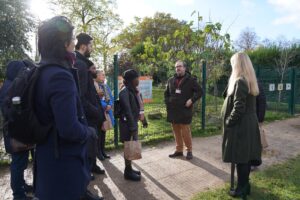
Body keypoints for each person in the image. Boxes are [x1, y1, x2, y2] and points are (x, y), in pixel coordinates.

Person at [33, 16, 100, 200]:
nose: (73, 43)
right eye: (72, 40)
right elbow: (69, 129)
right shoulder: (60, 76)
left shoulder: (41, 71)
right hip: (63, 164)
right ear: (64, 44)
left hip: (47, 159)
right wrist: (89, 132)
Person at [221, 52, 262, 199]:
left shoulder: (240, 81)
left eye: (233, 63)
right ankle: (245, 186)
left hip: (241, 125)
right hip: (248, 123)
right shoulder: (248, 80)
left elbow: (239, 107)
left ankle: (241, 189)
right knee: (245, 157)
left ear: (237, 64)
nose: (232, 66)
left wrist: (229, 121)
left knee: (241, 158)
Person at [0, 61, 34, 200]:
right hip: (15, 132)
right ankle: (19, 195)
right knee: (18, 163)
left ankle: (21, 186)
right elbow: (10, 112)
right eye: (21, 70)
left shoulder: (9, 85)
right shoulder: (10, 87)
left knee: (20, 162)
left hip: (14, 131)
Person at [74, 33, 106, 177]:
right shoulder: (79, 64)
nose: (92, 49)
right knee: (88, 144)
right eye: (91, 45)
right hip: (87, 114)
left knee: (93, 143)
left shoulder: (83, 63)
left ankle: (92, 166)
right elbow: (80, 95)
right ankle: (86, 173)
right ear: (83, 46)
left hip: (92, 113)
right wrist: (94, 110)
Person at [164, 60, 202, 160]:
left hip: (185, 110)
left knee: (185, 132)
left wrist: (192, 100)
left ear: (184, 68)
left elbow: (200, 91)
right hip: (173, 111)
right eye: (176, 67)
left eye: (180, 66)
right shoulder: (171, 80)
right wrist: (168, 102)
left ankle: (189, 150)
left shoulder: (191, 80)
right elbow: (166, 93)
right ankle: (179, 150)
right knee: (176, 131)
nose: (178, 68)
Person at [119, 69, 147, 181]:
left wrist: (143, 120)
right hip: (127, 124)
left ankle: (129, 169)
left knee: (130, 147)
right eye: (137, 78)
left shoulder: (133, 91)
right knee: (128, 147)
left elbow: (138, 107)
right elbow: (127, 111)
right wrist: (132, 126)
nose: (138, 80)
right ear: (131, 80)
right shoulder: (124, 92)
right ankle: (127, 172)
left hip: (132, 123)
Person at [94, 70, 114, 160]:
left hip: (106, 112)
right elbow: (95, 99)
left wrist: (109, 104)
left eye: (104, 75)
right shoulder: (94, 86)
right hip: (99, 113)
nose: (104, 77)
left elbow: (110, 97)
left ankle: (102, 151)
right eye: (102, 75)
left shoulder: (105, 86)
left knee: (103, 132)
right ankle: (98, 153)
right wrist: (105, 106)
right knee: (98, 133)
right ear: (97, 76)